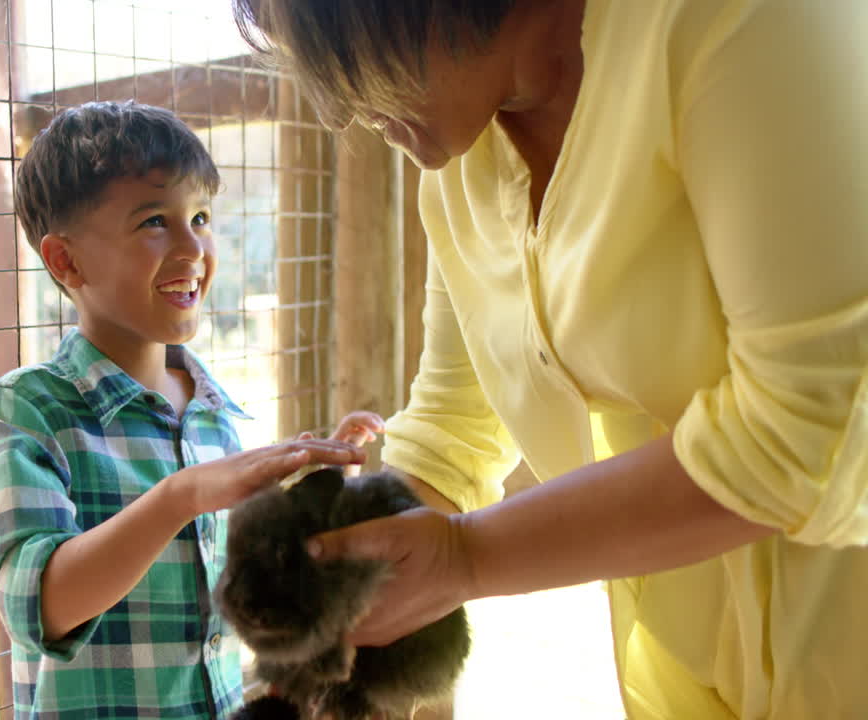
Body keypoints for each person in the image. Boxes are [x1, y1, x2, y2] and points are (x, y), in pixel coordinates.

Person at [233, 1, 868, 718]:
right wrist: (329, 601)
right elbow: (449, 438)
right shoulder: (459, 171)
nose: (341, 113)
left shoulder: (739, 21)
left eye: (335, 48)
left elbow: (819, 425)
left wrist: (468, 559)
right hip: (683, 680)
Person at [0, 100, 378, 718]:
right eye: (153, 222)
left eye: (199, 216)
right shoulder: (33, 409)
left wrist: (320, 483)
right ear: (66, 261)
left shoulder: (215, 412)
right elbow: (35, 606)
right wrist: (181, 495)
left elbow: (243, 578)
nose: (193, 246)